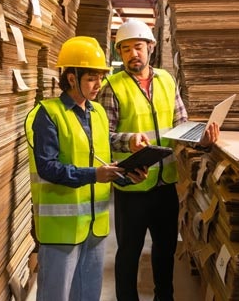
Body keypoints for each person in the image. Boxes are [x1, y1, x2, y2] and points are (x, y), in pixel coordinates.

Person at [97, 19, 219, 301]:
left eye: (137, 47)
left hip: (166, 184)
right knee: (129, 253)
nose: (132, 54)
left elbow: (181, 123)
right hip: (132, 187)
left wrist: (201, 139)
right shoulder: (112, 87)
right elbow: (104, 136)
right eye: (125, 50)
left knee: (164, 251)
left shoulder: (166, 80)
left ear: (150, 47)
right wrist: (128, 140)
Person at [25, 36, 146, 301]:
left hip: (95, 226)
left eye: (100, 78)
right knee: (55, 296)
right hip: (61, 229)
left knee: (88, 296)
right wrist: (95, 175)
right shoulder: (47, 114)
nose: (98, 85)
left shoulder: (99, 113)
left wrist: (126, 176)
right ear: (71, 77)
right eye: (91, 78)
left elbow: (101, 161)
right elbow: (48, 168)